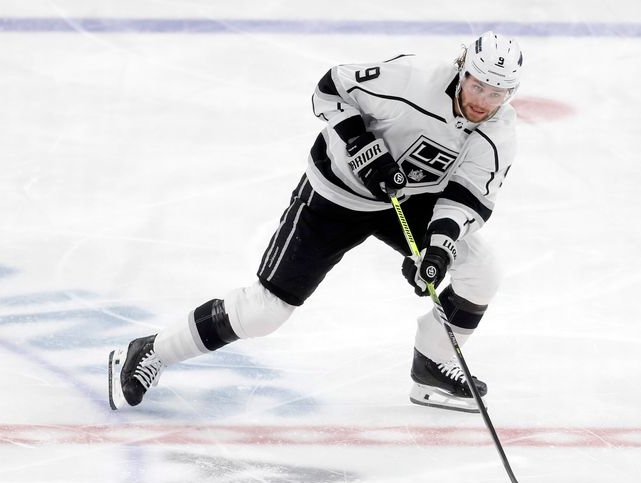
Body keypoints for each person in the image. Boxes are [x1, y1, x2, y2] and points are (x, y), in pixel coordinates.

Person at [108, 31, 523, 414]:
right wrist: (362, 144)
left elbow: (467, 197)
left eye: (497, 93)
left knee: (481, 269)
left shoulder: (499, 129)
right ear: (462, 68)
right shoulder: (410, 79)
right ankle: (152, 350)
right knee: (264, 313)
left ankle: (432, 362)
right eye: (478, 85)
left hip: (407, 199)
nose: (484, 101)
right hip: (335, 195)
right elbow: (329, 89)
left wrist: (437, 250)